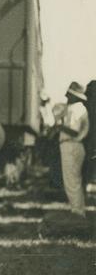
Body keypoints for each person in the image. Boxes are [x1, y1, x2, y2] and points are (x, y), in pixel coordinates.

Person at [57, 82, 89, 217]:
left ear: (75, 96)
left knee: (71, 180)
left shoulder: (75, 109)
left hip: (71, 144)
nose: (67, 97)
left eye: (69, 94)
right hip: (74, 145)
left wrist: (58, 126)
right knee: (74, 180)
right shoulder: (79, 108)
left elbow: (74, 132)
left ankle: (77, 212)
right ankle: (78, 210)